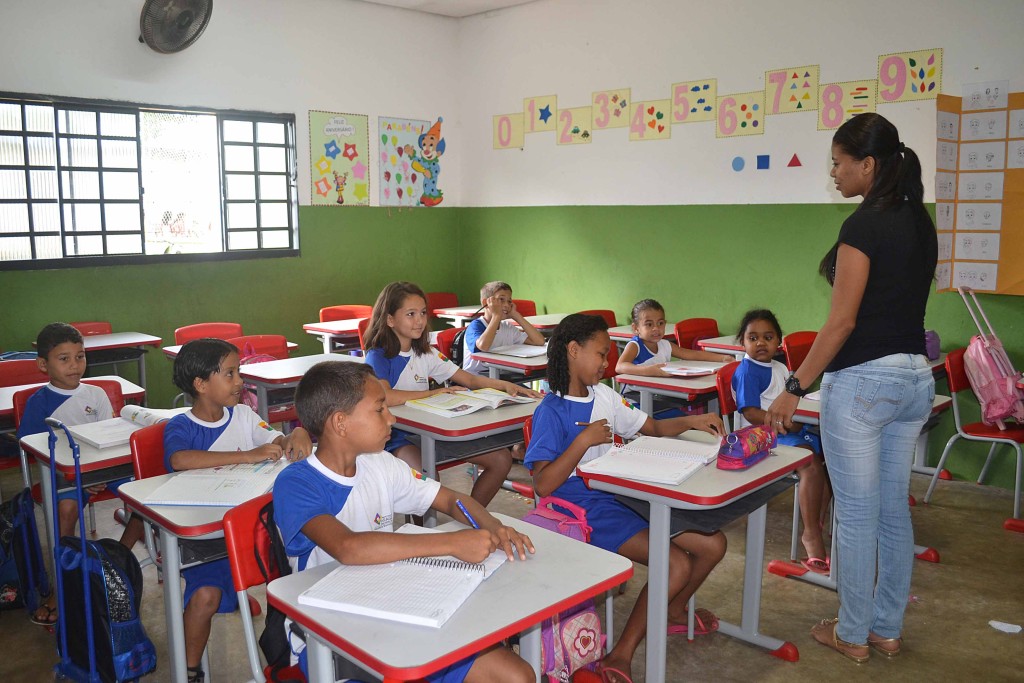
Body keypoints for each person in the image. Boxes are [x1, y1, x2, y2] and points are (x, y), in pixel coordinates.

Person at [764, 112, 937, 663]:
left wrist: (794, 385)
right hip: (915, 379)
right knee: (892, 512)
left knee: (858, 516)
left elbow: (841, 323)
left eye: (838, 163)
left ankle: (853, 632)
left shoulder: (863, 226)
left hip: (865, 384)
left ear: (867, 164)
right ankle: (886, 628)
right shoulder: (920, 220)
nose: (833, 173)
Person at [274, 361, 536, 683]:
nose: (392, 418)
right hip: (329, 637)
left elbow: (450, 500)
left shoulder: (381, 464)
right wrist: (452, 543)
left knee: (517, 676)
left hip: (396, 604)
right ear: (340, 423)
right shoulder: (296, 482)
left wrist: (493, 526)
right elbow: (348, 547)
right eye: (380, 409)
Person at [524, 313, 726, 683]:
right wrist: (582, 442)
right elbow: (543, 484)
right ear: (573, 350)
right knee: (676, 565)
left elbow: (653, 427)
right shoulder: (550, 411)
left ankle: (673, 609)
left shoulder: (605, 395)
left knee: (714, 544)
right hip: (580, 505)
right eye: (601, 354)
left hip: (619, 492)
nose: (607, 363)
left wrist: (692, 421)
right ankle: (621, 653)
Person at [163, 338, 312, 683]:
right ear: (201, 384)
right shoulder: (181, 426)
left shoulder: (243, 415)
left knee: (303, 568)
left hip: (252, 532)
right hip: (206, 537)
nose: (240, 381)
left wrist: (297, 433)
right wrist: (247, 456)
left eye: (238, 372)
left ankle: (300, 654)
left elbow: (275, 440)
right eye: (230, 374)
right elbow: (179, 459)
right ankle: (189, 670)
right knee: (205, 597)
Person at [364, 281, 540, 506]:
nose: (420, 320)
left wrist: (505, 386)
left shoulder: (426, 352)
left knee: (501, 459)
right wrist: (434, 393)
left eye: (423, 313)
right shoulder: (378, 355)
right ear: (390, 319)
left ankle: (469, 518)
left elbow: (469, 379)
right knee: (427, 483)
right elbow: (385, 396)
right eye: (410, 314)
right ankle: (424, 528)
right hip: (396, 436)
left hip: (432, 431)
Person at [17, 322, 145, 626]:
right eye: (64, 359)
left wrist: (98, 473)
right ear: (43, 365)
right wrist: (80, 478)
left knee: (146, 497)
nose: (75, 365)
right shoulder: (39, 403)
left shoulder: (96, 394)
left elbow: (109, 437)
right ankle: (63, 586)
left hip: (101, 469)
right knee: (66, 509)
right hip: (65, 475)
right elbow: (34, 450)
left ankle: (117, 561)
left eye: (80, 356)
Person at [730, 309, 829, 572]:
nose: (761, 343)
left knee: (831, 457)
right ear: (742, 342)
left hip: (786, 431)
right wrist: (783, 423)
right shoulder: (747, 371)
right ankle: (811, 535)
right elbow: (751, 413)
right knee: (810, 463)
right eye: (753, 338)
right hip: (759, 438)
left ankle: (816, 521)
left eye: (768, 337)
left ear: (778, 341)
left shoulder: (780, 367)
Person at [615, 299, 730, 377]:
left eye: (660, 323)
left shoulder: (665, 344)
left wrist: (723, 358)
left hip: (658, 392)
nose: (656, 328)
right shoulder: (635, 346)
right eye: (649, 324)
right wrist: (648, 371)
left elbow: (692, 354)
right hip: (636, 397)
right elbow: (620, 367)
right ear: (636, 328)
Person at [462, 280, 544, 376]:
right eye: (501, 299)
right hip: (475, 379)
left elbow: (539, 341)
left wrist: (516, 315)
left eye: (509, 301)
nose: (506, 305)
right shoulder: (475, 326)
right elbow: (483, 346)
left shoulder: (507, 327)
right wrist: (496, 316)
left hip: (501, 377)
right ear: (486, 303)